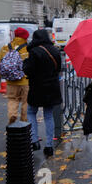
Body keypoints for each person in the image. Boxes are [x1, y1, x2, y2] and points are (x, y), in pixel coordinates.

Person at [23, 29, 62, 157]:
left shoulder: (34, 51)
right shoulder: (55, 50)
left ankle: (34, 141)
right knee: (49, 115)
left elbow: (28, 70)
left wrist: (25, 63)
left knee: (31, 112)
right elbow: (58, 68)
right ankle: (49, 145)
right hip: (52, 88)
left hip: (37, 88)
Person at [0, 27, 30, 124]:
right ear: (25, 37)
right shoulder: (28, 48)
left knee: (12, 99)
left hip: (11, 81)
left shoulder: (6, 47)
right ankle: (24, 122)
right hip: (25, 81)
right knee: (26, 102)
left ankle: (12, 115)